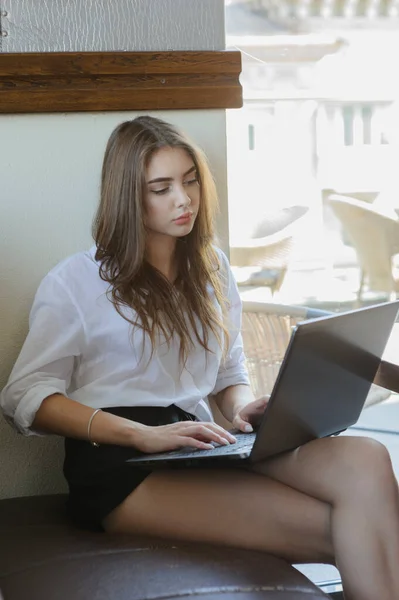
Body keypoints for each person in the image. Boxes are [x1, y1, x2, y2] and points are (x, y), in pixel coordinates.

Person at [1, 116, 399, 600]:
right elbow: (25, 396)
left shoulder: (211, 268)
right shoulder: (76, 282)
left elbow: (229, 370)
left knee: (366, 458)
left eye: (189, 181)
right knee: (358, 526)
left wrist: (241, 408)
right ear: (128, 195)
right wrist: (141, 434)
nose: (183, 199)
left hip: (202, 440)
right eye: (161, 187)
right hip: (122, 465)